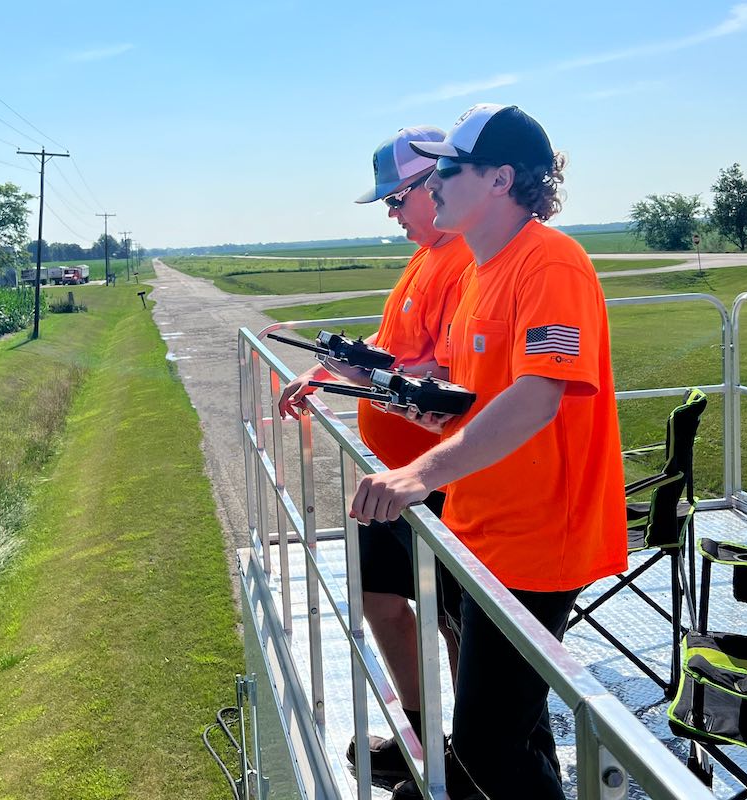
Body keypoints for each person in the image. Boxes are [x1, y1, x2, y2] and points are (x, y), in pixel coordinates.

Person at [348, 104, 628, 800]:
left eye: (447, 167)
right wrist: (408, 401)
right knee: (512, 726)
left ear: (499, 178)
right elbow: (473, 398)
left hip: (539, 537)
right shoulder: (480, 271)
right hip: (484, 528)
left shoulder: (552, 263)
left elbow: (537, 398)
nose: (431, 182)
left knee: (486, 741)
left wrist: (419, 474)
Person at [278, 126, 473, 789]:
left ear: (434, 185)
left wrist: (361, 374)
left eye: (396, 199)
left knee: (453, 619)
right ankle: (427, 738)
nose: (392, 214)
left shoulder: (465, 258)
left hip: (440, 474)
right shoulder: (424, 258)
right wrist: (338, 367)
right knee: (379, 598)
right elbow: (394, 349)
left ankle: (467, 758)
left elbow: (445, 375)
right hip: (395, 474)